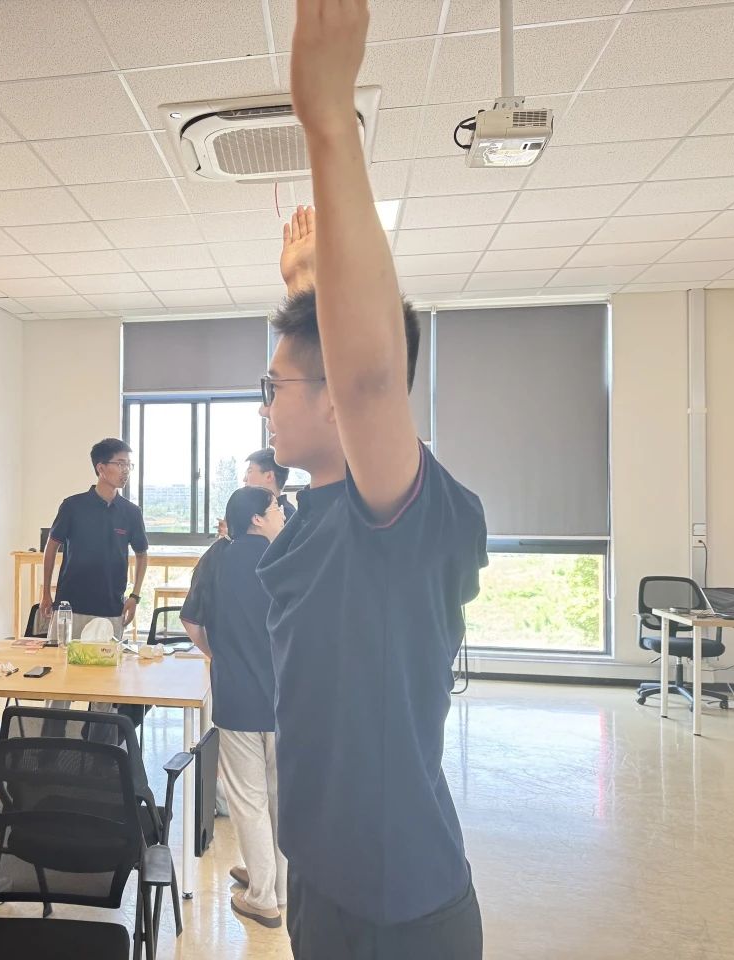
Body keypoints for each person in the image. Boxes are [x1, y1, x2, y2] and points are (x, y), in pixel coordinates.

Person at [258, 3, 489, 958]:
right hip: (321, 881)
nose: (266, 409)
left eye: (274, 389)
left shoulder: (405, 519)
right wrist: (309, 288)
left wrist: (328, 120)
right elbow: (338, 376)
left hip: (401, 912)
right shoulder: (318, 510)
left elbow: (363, 381)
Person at [181, 486, 288, 930]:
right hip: (286, 697)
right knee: (280, 795)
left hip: (237, 695)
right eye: (276, 507)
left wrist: (218, 654)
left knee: (248, 798)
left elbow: (191, 620)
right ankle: (277, 886)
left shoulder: (217, 558)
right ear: (257, 519)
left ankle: (262, 893)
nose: (282, 513)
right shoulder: (288, 556)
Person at [40, 438, 149, 640]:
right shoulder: (73, 506)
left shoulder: (131, 512)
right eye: (120, 464)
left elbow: (142, 555)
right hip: (71, 605)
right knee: (61, 657)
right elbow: (51, 546)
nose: (126, 470)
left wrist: (135, 596)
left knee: (108, 660)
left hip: (111, 607)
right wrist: (46, 592)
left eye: (129, 465)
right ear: (101, 468)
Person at [245, 448, 296, 520]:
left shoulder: (288, 517)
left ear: (269, 476)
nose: (244, 479)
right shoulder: (256, 509)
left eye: (249, 471)